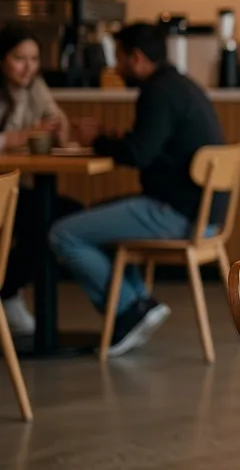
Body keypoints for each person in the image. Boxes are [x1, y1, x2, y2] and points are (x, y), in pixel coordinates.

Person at [48, 23, 226, 357]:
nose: (116, 68)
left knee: (64, 233)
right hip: (204, 215)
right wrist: (113, 137)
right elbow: (149, 145)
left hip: (175, 214)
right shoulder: (182, 85)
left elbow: (137, 154)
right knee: (97, 216)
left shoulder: (157, 92)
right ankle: (137, 305)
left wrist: (96, 140)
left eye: (119, 58)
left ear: (137, 58)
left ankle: (131, 307)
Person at [0, 25, 79, 336]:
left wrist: (61, 129)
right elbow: (22, 135)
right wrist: (15, 137)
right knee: (45, 218)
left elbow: (57, 122)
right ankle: (7, 293)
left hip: (14, 188)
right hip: (5, 190)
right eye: (20, 58)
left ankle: (7, 290)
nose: (28, 67)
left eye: (34, 59)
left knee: (63, 215)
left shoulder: (36, 86)